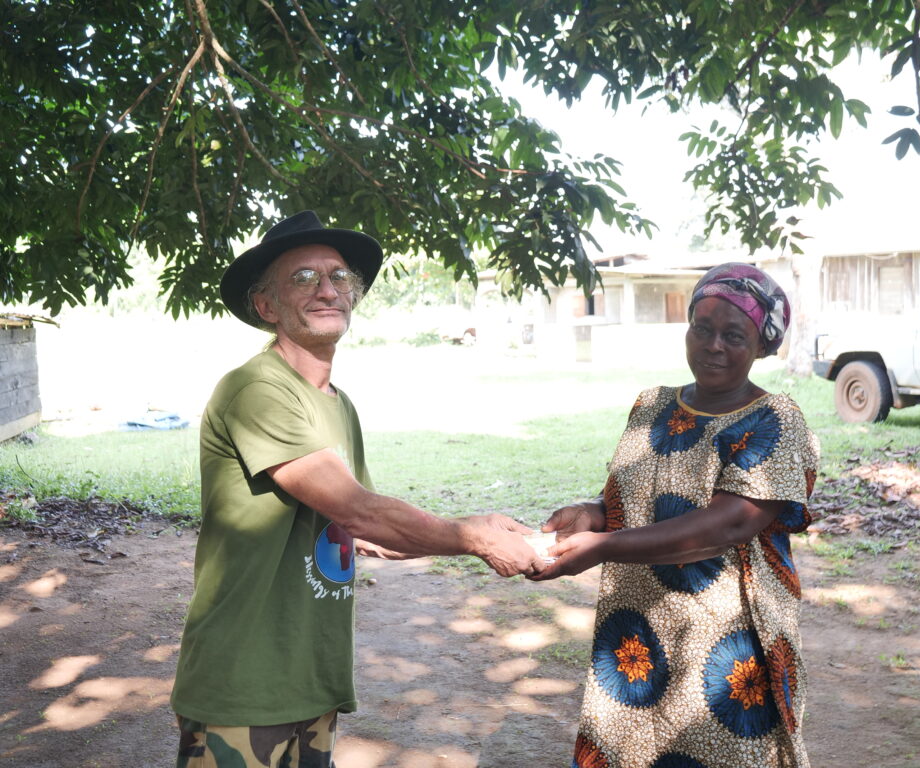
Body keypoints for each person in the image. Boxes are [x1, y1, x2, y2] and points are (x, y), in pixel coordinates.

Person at [170, 210, 545, 768]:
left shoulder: (338, 405)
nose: (327, 290)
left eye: (339, 276)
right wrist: (473, 538)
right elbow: (360, 512)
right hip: (243, 681)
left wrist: (497, 533)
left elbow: (361, 534)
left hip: (311, 677)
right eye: (303, 278)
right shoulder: (256, 389)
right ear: (266, 306)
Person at [532, 263, 819, 768]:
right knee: (627, 746)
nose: (714, 345)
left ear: (761, 344)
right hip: (635, 629)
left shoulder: (774, 419)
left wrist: (603, 548)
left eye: (734, 335)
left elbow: (728, 524)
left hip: (726, 642)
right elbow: (634, 497)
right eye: (702, 328)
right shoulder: (652, 406)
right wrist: (592, 515)